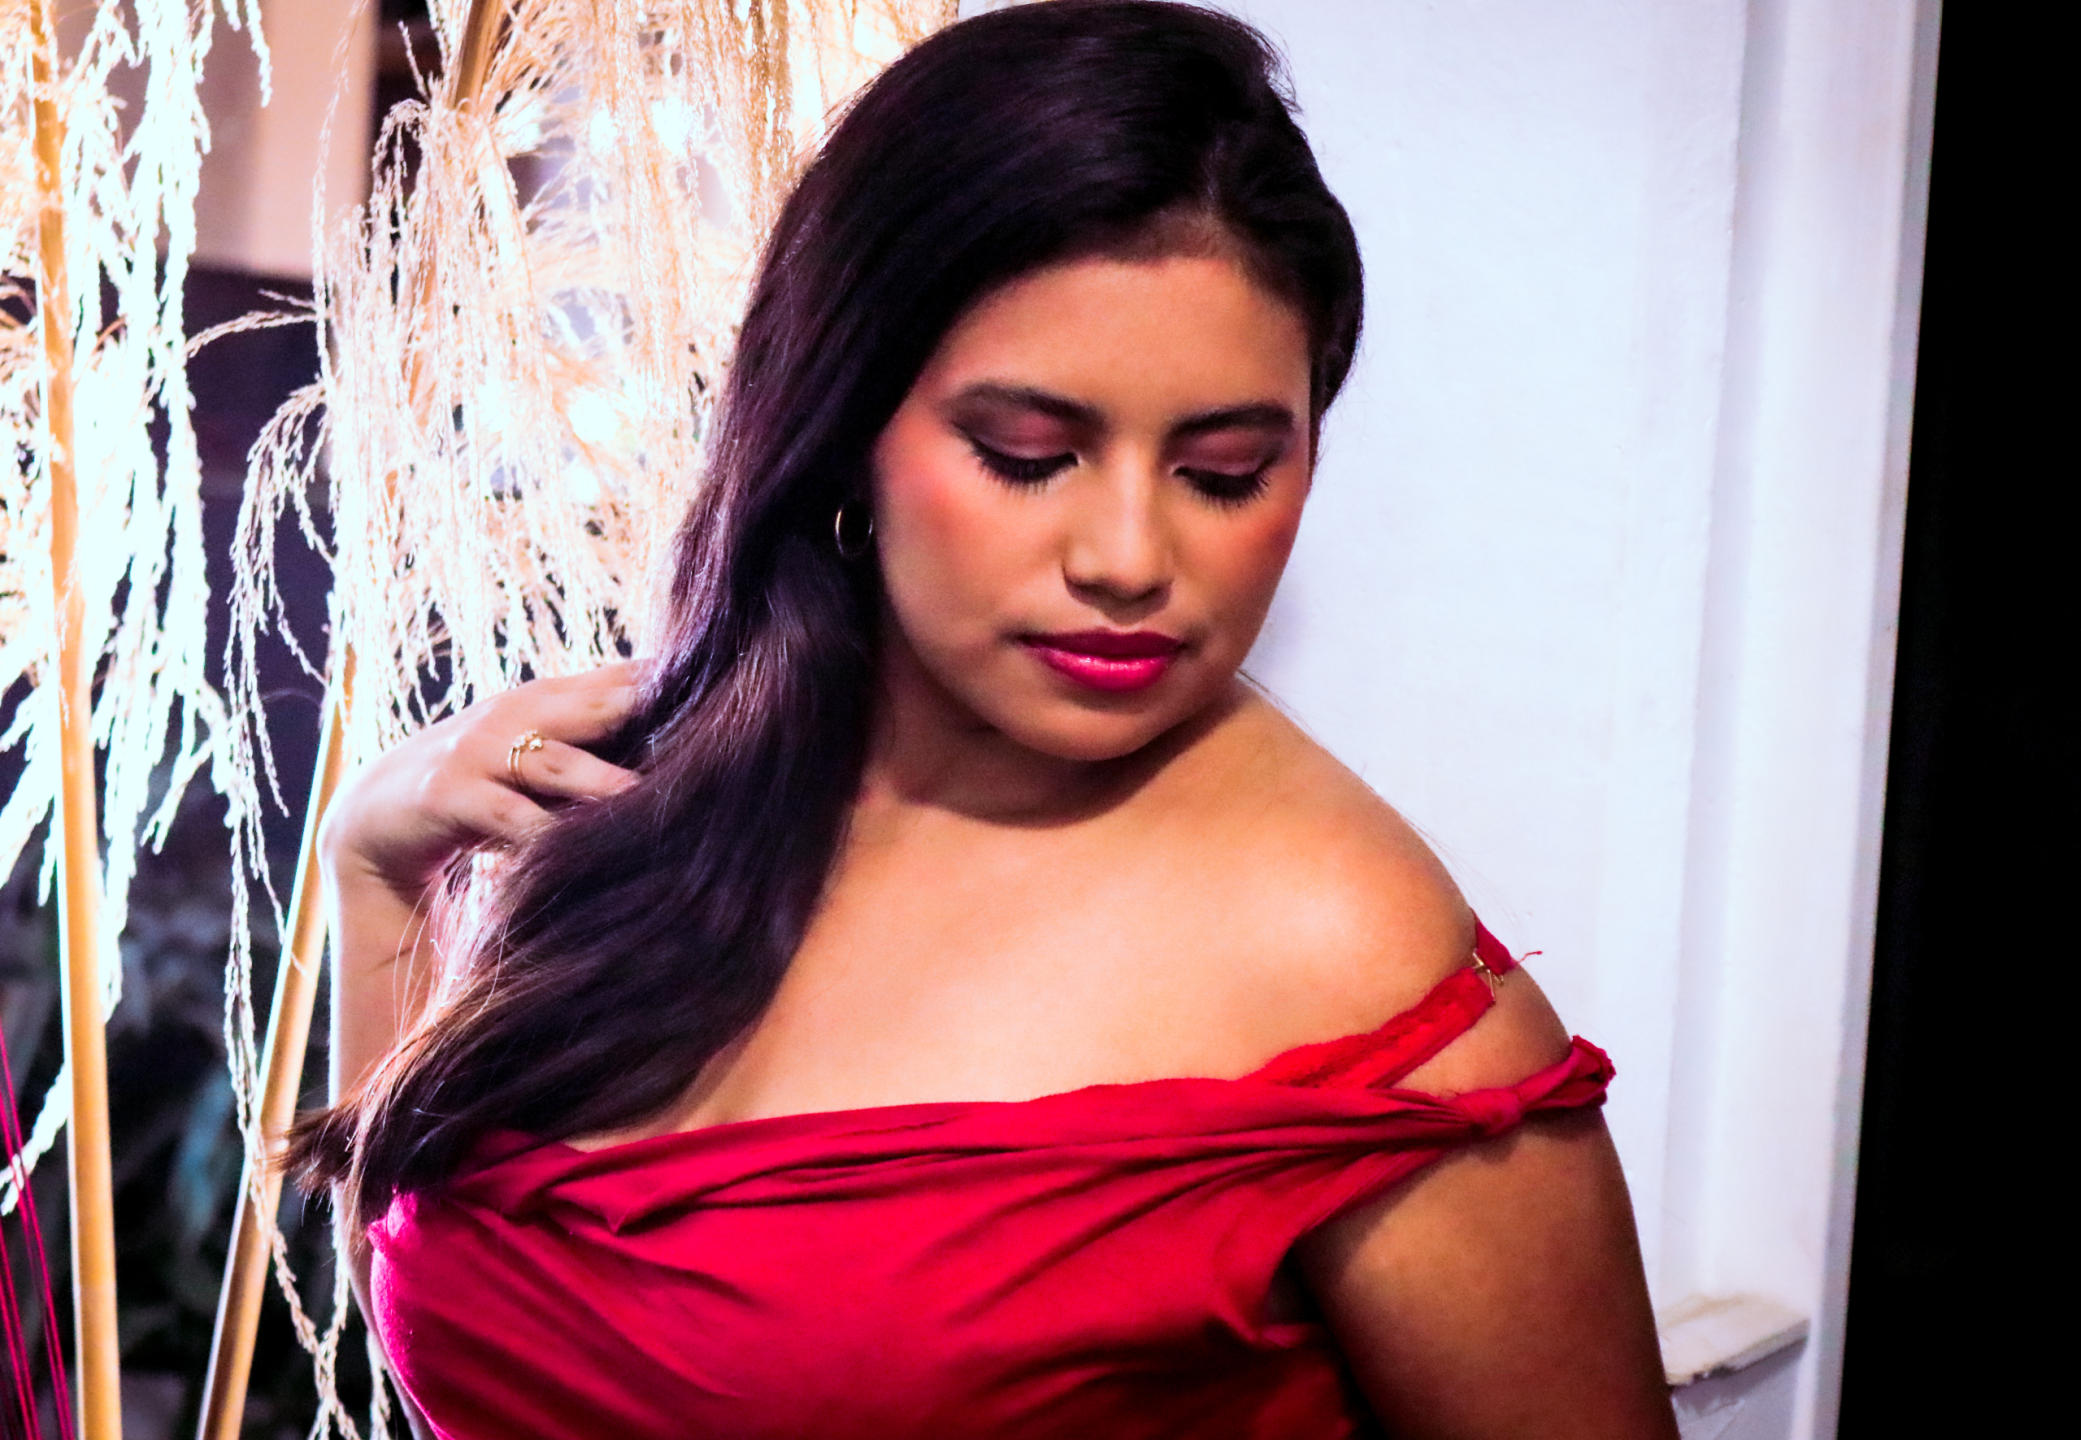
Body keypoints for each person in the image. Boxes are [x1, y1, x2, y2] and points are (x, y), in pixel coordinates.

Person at [290, 3, 1679, 1436]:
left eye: (1222, 473)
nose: (1129, 559)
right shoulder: (654, 806)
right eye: (1027, 456)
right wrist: (374, 870)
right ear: (842, 425)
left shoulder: (1345, 948)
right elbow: (453, 1315)